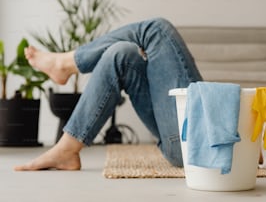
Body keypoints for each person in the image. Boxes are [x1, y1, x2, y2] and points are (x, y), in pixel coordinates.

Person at [14, 17, 203, 171]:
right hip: (180, 141)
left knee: (157, 30)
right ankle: (66, 150)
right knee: (121, 54)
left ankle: (65, 64)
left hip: (198, 140)